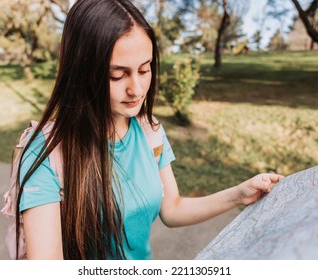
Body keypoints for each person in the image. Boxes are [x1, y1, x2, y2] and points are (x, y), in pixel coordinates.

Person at [17, 0, 283, 260]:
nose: (137, 89)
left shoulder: (149, 130)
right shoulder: (44, 152)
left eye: (144, 70)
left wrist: (238, 193)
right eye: (117, 75)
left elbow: (173, 209)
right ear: (81, 71)